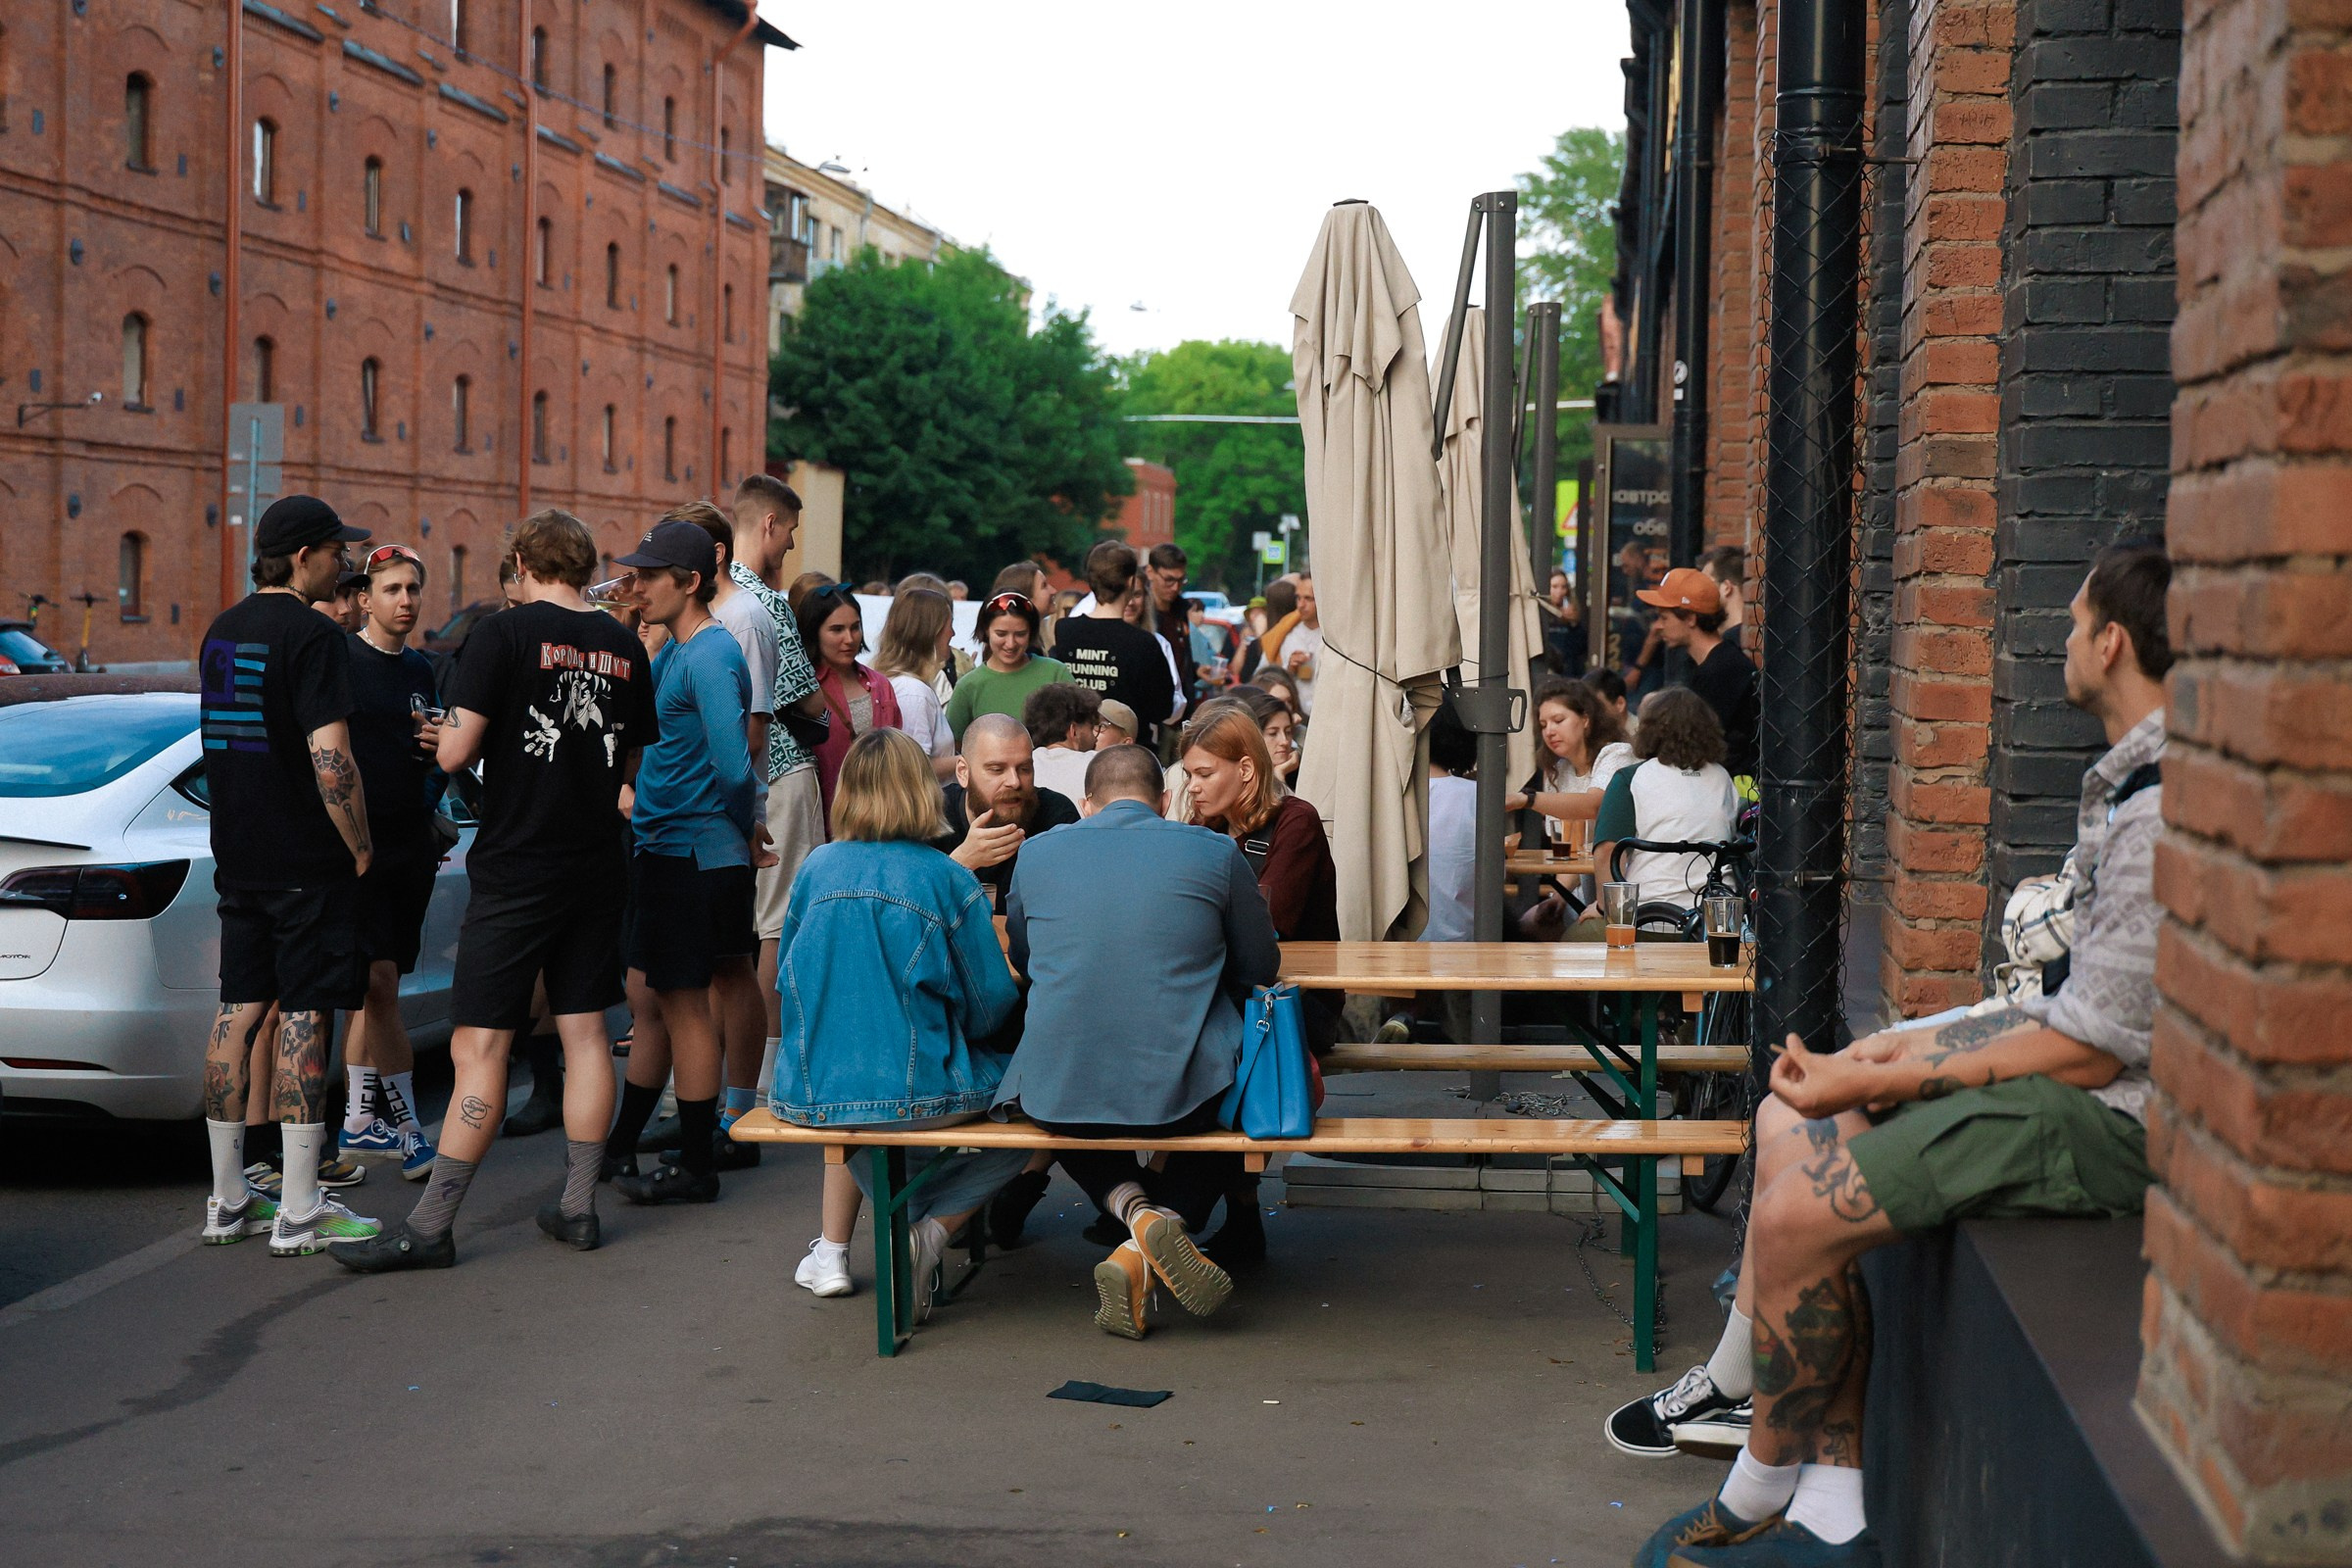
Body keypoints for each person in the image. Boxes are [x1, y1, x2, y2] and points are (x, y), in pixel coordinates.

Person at [1628, 542, 2172, 1567]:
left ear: (2113, 641)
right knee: (1792, 1121)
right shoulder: (2133, 784)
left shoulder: (2157, 814)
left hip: (2114, 1126)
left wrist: (1871, 1073)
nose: (2058, 634)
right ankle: (1832, 1499)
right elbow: (2071, 1011)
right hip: (2085, 1081)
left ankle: (1766, 1483)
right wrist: (1866, 1065)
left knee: (1792, 1208)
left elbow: (2090, 1054)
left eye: (2073, 617)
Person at [330, 509, 654, 1270]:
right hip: (597, 860)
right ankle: (578, 1207)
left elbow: (456, 755)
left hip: (519, 864)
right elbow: (630, 768)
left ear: (520, 565)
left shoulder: (503, 635)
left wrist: (438, 735)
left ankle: (433, 1224)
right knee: (584, 1033)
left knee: (482, 1043)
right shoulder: (621, 643)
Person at [992, 744, 1281, 1340]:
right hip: (1186, 1093)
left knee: (1053, 1092)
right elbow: (1259, 966)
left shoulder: (1038, 854)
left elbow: (1025, 957)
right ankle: (1159, 1225)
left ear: (1086, 805)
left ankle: (1136, 1218)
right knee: (1236, 1099)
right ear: (1166, 800)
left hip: (1060, 1089)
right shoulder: (1215, 851)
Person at [771, 729, 1028, 1305]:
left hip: (813, 1087)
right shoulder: (944, 876)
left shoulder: (816, 869)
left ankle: (898, 1230)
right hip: (918, 1089)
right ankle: (932, 1232)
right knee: (1036, 1104)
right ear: (922, 790)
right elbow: (990, 1006)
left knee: (866, 1129)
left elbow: (788, 979)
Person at [196, 495, 383, 1256]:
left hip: (237, 851)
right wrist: (361, 842)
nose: (346, 567)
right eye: (337, 553)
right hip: (307, 859)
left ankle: (225, 1199)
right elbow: (330, 754)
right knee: (306, 1014)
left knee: (237, 1012)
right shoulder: (312, 635)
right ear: (303, 556)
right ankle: (301, 1207)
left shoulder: (221, 629)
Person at [601, 519, 770, 1206]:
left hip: (694, 851)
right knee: (652, 1000)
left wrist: (745, 827)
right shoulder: (679, 647)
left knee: (682, 1007)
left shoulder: (707, 655)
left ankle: (697, 1161)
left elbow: (735, 766)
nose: (635, 586)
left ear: (690, 581)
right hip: (675, 847)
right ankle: (620, 1146)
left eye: (650, 575)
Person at [1177, 702, 1339, 1263]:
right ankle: (1214, 1217)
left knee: (1217, 1062)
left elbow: (1270, 921)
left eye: (1204, 774)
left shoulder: (1295, 820)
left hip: (1296, 1004)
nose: (1193, 788)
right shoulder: (1202, 827)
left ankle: (1171, 1210)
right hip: (1229, 996)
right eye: (1188, 776)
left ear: (1245, 771)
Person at [335, 542, 444, 1182]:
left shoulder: (423, 670)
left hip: (410, 850)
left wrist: (435, 751)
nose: (405, 602)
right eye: (392, 590)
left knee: (379, 990)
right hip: (358, 851)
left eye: (412, 590)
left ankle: (356, 1122)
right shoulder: (343, 661)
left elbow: (433, 756)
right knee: (378, 986)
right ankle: (407, 1132)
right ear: (364, 598)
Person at [1585, 688, 1740, 922]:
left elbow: (1607, 852)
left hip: (1649, 916)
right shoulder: (1723, 778)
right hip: (1715, 918)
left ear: (1649, 730)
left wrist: (1602, 909)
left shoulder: (1631, 778)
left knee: (1573, 936)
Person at [935, 712, 1082, 908]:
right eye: (997, 769)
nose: (1014, 782)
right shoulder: (934, 817)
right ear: (963, 772)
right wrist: (961, 861)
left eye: (1024, 769)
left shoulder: (1056, 818)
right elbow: (905, 911)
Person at [1638, 565, 1758, 777]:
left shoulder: (1722, 671)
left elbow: (1703, 750)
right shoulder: (1715, 663)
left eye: (1664, 618)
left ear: (1691, 618)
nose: (1657, 626)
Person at [1052, 541, 1176, 744]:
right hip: (1128, 754)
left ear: (1091, 581)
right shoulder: (1144, 643)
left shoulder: (1064, 630)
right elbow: (1161, 709)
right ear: (1130, 582)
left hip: (1076, 748)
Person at [797, 583, 902, 816]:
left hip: (882, 817)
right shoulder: (803, 689)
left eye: (855, 628)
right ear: (814, 632)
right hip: (823, 818)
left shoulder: (881, 685)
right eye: (836, 629)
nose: (849, 638)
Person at [1508, 677, 1636, 838]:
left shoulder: (1617, 753)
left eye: (1558, 720)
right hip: (1577, 863)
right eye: (1543, 725)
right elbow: (1562, 837)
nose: (1549, 731)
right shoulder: (1558, 769)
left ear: (1585, 719)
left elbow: (1594, 806)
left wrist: (1527, 799)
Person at [944, 591, 1071, 743]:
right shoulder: (968, 686)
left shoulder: (1056, 673)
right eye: (1001, 634)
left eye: (1020, 634)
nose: (1010, 643)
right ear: (986, 630)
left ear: (1031, 633)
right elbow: (955, 745)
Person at [872, 587, 958, 779]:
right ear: (931, 632)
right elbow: (915, 768)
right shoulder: (913, 692)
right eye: (949, 625)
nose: (952, 633)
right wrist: (970, 760)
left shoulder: (910, 686)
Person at [1022, 680, 1101, 805]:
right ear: (1073, 731)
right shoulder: (1099, 764)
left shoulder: (1021, 768)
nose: (1095, 738)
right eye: (1092, 728)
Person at [1146, 543, 1196, 713]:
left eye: (1181, 580)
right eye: (1169, 580)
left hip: (1182, 708)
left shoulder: (1181, 610)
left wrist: (1195, 671)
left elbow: (1178, 660)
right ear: (1150, 572)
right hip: (1156, 709)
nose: (1175, 587)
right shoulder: (1142, 613)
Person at [1269, 573, 1322, 715]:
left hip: (1327, 713)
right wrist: (1290, 668)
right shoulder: (1288, 634)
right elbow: (1276, 678)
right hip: (1297, 714)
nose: (1301, 605)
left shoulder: (1333, 636)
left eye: (1308, 598)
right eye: (1298, 598)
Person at [1699, 545, 1749, 655]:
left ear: (1726, 587)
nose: (1700, 592)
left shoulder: (1732, 644)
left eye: (1705, 584)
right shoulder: (1751, 635)